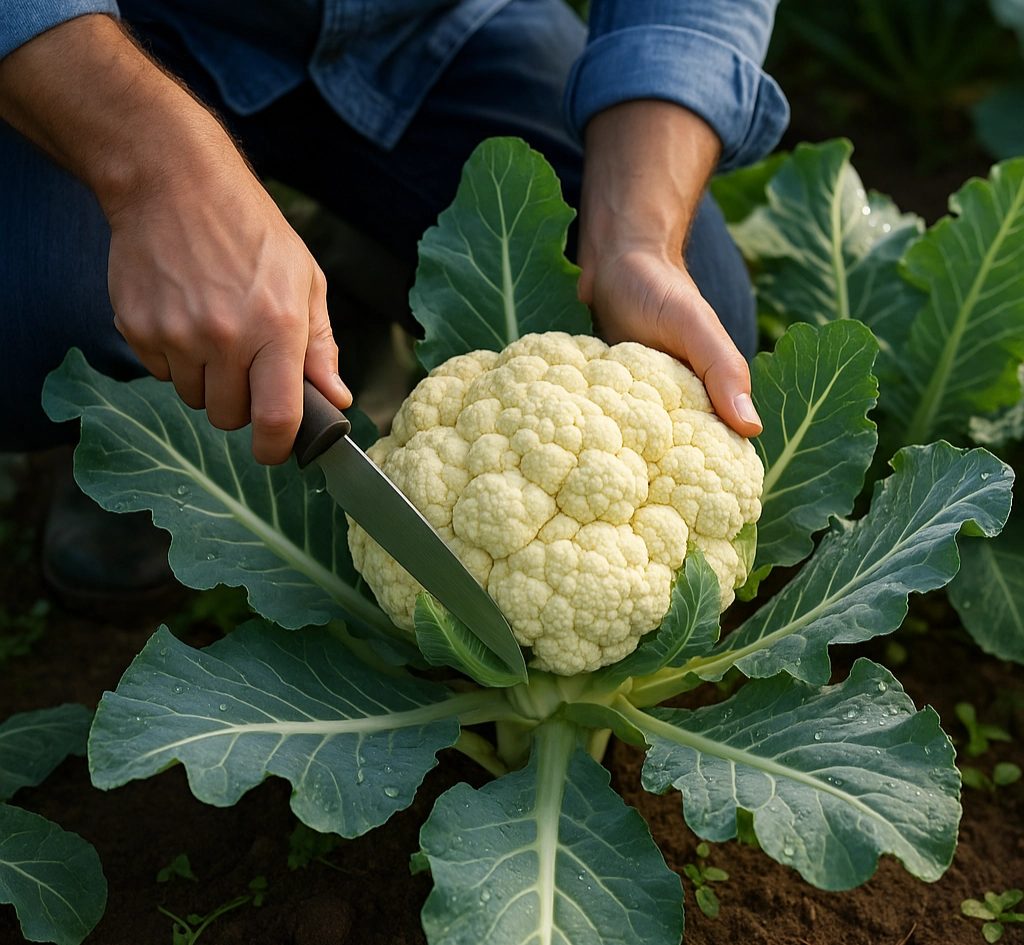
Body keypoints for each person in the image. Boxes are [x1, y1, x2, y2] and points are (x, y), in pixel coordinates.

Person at [0, 0, 787, 600]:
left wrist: (635, 239)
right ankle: (161, 433)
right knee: (24, 338)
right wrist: (156, 171)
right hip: (121, 34)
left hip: (432, 30)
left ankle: (334, 288)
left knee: (685, 325)